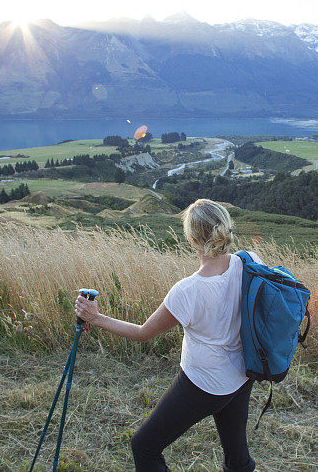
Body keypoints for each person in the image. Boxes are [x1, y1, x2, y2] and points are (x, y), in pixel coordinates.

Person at [74, 198, 262, 472]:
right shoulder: (250, 262)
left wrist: (95, 317)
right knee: (237, 457)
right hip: (242, 375)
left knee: (144, 446)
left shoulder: (187, 291)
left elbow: (143, 333)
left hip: (203, 384)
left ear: (192, 240)